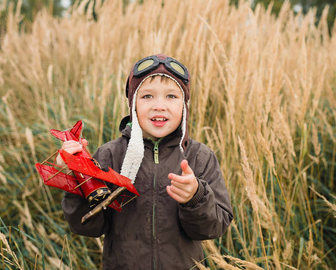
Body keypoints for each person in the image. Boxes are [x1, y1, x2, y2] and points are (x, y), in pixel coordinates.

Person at [60, 53, 233, 269]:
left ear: (184, 107)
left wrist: (195, 197)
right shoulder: (110, 155)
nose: (159, 106)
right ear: (132, 105)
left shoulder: (199, 157)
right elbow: (88, 226)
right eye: (147, 96)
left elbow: (214, 228)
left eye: (171, 96)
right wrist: (77, 177)